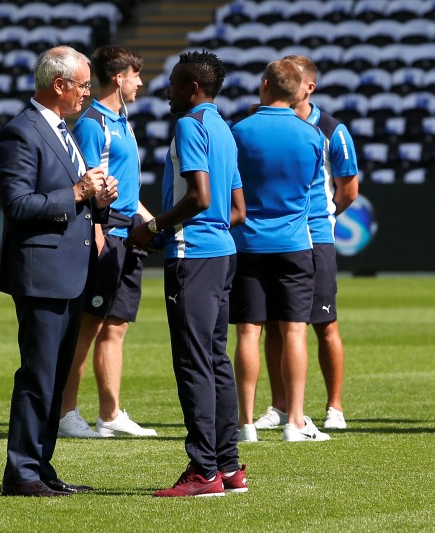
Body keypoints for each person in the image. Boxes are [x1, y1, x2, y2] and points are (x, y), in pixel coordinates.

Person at [0, 45, 118, 496]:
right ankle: (22, 471)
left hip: (69, 270)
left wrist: (97, 199)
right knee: (38, 374)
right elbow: (19, 206)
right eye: (84, 85)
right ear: (59, 85)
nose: (88, 93)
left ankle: (41, 467)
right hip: (42, 272)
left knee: (56, 374)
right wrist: (79, 191)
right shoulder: (21, 133)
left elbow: (75, 200)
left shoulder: (62, 131)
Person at [127, 50, 248, 497]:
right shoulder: (225, 130)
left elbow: (197, 197)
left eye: (175, 82)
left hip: (192, 256)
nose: (167, 89)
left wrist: (154, 228)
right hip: (222, 253)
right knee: (217, 361)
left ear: (193, 88)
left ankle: (203, 471)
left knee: (194, 363)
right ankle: (229, 466)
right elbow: (237, 209)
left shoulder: (189, 126)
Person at [253, 55, 358, 433]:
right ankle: (280, 407)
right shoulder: (263, 121)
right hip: (280, 239)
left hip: (315, 238)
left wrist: (323, 218)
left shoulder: (331, 130)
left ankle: (335, 407)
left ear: (308, 87)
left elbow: (348, 190)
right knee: (274, 324)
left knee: (324, 323)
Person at [57, 45, 157, 439]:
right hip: (107, 234)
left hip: (129, 234)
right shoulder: (93, 123)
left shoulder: (122, 120)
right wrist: (97, 235)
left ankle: (110, 414)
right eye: (136, 75)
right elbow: (83, 185)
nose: (140, 83)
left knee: (116, 326)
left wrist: (148, 219)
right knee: (88, 326)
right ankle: (65, 412)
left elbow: (123, 184)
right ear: (119, 77)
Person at [231, 59, 330, 443]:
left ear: (265, 84)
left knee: (246, 333)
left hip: (248, 243)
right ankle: (295, 422)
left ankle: (245, 424)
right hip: (293, 243)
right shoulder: (312, 135)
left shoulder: (239, 131)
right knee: (294, 332)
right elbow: (311, 184)